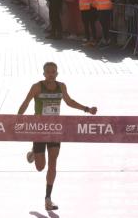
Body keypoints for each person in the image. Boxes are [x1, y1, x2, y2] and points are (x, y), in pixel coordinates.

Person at [17, 62, 97, 210]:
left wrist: (87, 109)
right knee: (40, 167)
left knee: (53, 162)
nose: (51, 74)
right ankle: (34, 152)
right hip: (39, 129)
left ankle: (48, 198)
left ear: (57, 74)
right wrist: (16, 118)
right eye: (48, 72)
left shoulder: (62, 86)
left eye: (53, 72)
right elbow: (25, 103)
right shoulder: (36, 87)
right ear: (43, 74)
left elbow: (69, 101)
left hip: (55, 129)